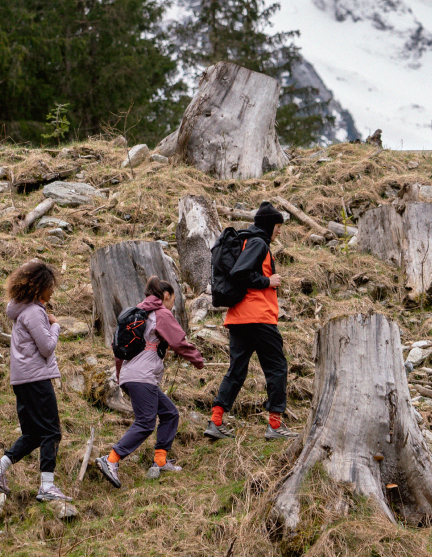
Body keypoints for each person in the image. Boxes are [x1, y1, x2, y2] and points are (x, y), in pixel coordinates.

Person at [95, 278, 204, 488]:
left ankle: (161, 461)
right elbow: (178, 341)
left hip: (132, 375)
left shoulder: (134, 315)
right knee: (145, 422)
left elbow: (119, 352)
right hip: (142, 376)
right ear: (166, 296)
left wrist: (122, 379)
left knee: (170, 413)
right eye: (173, 299)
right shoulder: (161, 313)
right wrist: (197, 359)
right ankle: (110, 460)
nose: (173, 304)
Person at [0, 260, 72, 501]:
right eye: (50, 286)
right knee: (52, 432)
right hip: (36, 379)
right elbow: (47, 348)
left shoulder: (22, 310)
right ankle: (47, 487)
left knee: (33, 434)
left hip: (21, 380)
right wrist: (55, 325)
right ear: (39, 286)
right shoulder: (33, 312)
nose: (52, 291)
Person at [206, 201, 298, 440]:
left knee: (237, 370)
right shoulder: (258, 242)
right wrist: (268, 282)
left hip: (238, 318)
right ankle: (275, 426)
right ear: (269, 225)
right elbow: (240, 273)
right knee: (277, 368)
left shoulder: (248, 240)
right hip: (258, 317)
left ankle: (216, 421)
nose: (279, 231)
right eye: (278, 226)